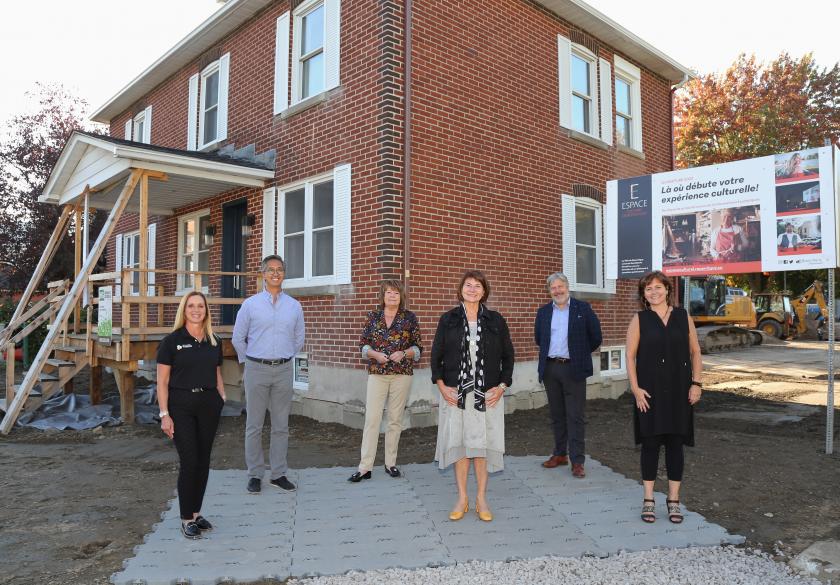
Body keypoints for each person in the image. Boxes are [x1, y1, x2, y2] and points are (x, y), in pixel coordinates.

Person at [432, 270, 514, 522]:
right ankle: (462, 498)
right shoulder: (448, 319)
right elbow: (436, 356)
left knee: (481, 448)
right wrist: (442, 386)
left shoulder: (496, 320)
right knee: (459, 447)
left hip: (487, 395)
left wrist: (501, 387)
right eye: (468, 285)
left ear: (484, 291)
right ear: (461, 290)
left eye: (477, 286)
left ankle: (481, 498)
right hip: (456, 395)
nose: (472, 289)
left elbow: (508, 357)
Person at [625, 271, 702, 524]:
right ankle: (648, 499)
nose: (654, 292)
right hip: (649, 393)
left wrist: (696, 383)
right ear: (643, 295)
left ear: (668, 290)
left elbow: (695, 352)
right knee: (650, 445)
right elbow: (630, 357)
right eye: (648, 289)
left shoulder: (683, 316)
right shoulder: (639, 319)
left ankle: (673, 500)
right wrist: (635, 389)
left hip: (680, 391)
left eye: (658, 287)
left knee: (675, 446)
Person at [232, 255, 305, 494]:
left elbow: (298, 339)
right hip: (256, 369)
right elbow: (237, 338)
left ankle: (278, 474)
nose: (275, 273)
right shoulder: (250, 305)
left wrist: (284, 357)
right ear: (263, 274)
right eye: (270, 270)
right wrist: (249, 363)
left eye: (280, 269)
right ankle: (255, 474)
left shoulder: (294, 306)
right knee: (254, 425)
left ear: (284, 274)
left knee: (281, 425)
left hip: (283, 370)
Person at [156, 291, 226, 539]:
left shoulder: (214, 340)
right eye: (191, 306)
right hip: (181, 404)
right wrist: (165, 414)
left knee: (203, 460)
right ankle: (186, 518)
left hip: (208, 403)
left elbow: (216, 372)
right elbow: (162, 382)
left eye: (201, 306)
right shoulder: (171, 342)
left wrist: (221, 396)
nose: (196, 310)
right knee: (190, 461)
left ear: (206, 310)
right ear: (184, 310)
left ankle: (196, 513)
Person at [349, 280, 423, 482]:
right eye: (389, 292)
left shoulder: (409, 318)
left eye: (396, 293)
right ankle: (365, 467)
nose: (392, 296)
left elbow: (418, 349)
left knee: (394, 420)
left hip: (402, 375)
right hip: (377, 374)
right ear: (382, 296)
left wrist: (404, 353)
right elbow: (363, 346)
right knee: (372, 420)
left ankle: (391, 464)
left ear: (401, 296)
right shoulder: (373, 317)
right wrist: (374, 354)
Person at [534, 272, 602, 478]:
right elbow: (539, 339)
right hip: (550, 368)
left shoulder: (583, 309)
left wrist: (579, 354)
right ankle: (560, 454)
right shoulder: (544, 312)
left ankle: (578, 461)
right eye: (553, 288)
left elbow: (596, 337)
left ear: (567, 287)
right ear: (549, 291)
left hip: (574, 368)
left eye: (560, 286)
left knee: (575, 416)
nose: (557, 291)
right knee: (557, 415)